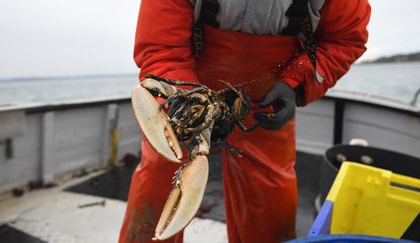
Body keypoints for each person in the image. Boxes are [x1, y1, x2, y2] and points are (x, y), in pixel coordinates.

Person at [119, 0, 371, 242]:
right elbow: (162, 47)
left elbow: (346, 38)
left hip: (268, 94)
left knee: (267, 199)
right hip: (186, 85)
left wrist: (295, 83)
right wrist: (185, 101)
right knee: (159, 175)